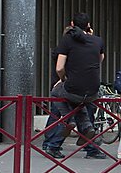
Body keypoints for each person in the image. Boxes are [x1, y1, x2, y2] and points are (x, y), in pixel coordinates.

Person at [41, 12, 106, 159]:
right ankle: (90, 143)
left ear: (72, 24)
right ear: (88, 25)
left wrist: (64, 79)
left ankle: (67, 122)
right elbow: (100, 58)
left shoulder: (67, 40)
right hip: (93, 89)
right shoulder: (98, 41)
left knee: (57, 93)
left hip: (74, 87)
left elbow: (59, 68)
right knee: (82, 109)